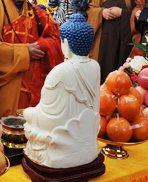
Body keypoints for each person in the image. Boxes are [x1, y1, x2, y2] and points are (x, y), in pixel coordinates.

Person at [24, 14, 100, 169]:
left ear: (66, 43)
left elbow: (48, 114)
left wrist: (33, 113)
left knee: (28, 113)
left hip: (63, 138)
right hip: (86, 137)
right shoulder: (95, 66)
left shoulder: (60, 71)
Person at [87, 0, 144, 82]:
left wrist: (123, 13)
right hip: (105, 39)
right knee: (104, 70)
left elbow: (143, 15)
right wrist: (101, 12)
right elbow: (91, 8)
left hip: (125, 40)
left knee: (122, 72)